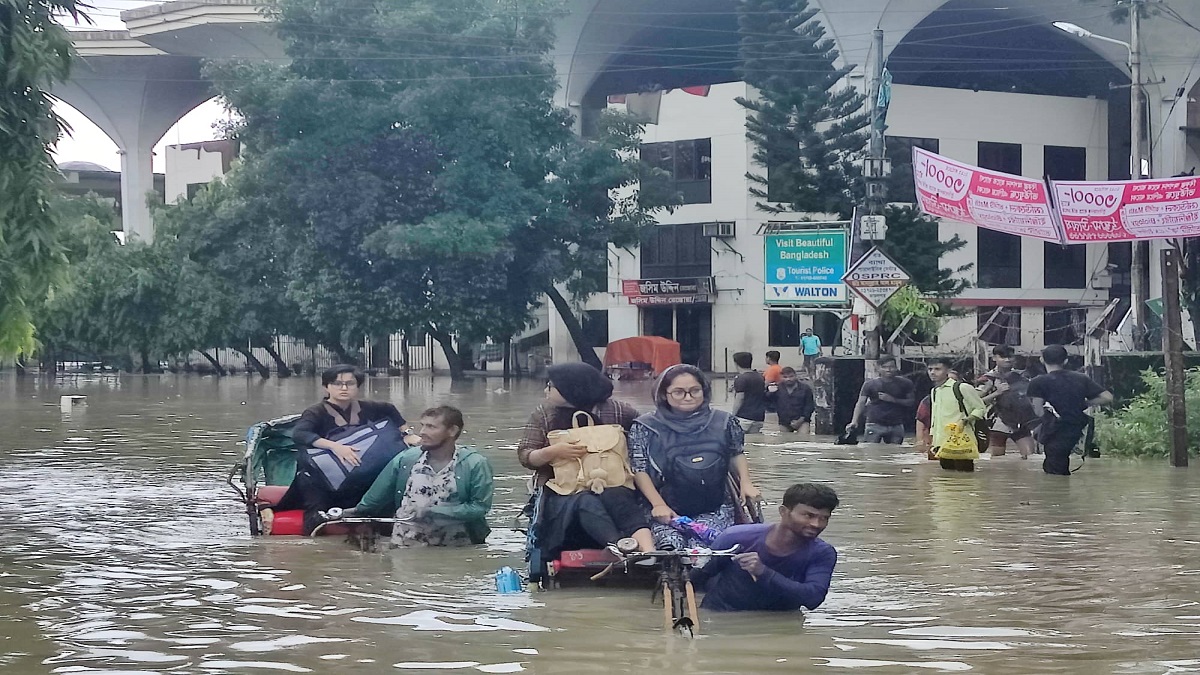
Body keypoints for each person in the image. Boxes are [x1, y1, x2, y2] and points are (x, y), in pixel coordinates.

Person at [517, 363, 655, 565]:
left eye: (550, 386)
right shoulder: (544, 414)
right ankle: (622, 548)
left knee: (619, 497)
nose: (546, 390)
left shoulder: (618, 411)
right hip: (562, 493)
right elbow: (525, 456)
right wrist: (553, 452)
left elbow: (645, 439)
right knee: (585, 501)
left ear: (570, 388)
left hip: (613, 483)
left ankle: (649, 551)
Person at [629, 364, 761, 550]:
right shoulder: (645, 426)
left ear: (704, 391)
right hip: (665, 508)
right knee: (671, 547)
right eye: (679, 392)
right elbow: (639, 468)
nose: (688, 397)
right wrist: (658, 505)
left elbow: (736, 453)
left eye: (694, 391)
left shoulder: (724, 421)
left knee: (701, 546)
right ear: (663, 394)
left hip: (715, 507)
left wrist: (746, 483)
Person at [281, 365, 419, 533]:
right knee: (315, 514)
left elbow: (390, 410)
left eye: (350, 383)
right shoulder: (315, 412)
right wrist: (336, 447)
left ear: (357, 386)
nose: (344, 388)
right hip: (319, 478)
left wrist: (406, 433)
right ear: (326, 387)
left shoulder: (371, 407)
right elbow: (300, 434)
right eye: (337, 383)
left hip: (362, 474)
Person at [341, 406, 493, 546]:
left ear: (452, 431)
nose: (422, 432)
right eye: (422, 425)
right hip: (405, 543)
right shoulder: (406, 459)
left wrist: (432, 512)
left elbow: (479, 507)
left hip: (456, 545)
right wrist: (352, 513)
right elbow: (376, 497)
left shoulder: (474, 463)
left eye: (431, 427)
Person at [690, 483, 839, 612]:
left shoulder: (822, 553)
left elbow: (813, 598)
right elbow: (699, 579)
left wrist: (763, 572)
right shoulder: (736, 537)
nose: (816, 524)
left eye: (824, 518)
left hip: (780, 624)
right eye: (808, 515)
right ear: (784, 512)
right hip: (722, 616)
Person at [1027, 345, 1113, 476]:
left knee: (1055, 471)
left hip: (1053, 430)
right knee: (1057, 465)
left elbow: (1038, 411)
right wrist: (1085, 403)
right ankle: (1061, 493)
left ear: (1042, 360)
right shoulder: (1081, 378)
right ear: (1065, 361)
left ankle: (1059, 495)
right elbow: (1107, 397)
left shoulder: (1037, 382)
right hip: (1074, 430)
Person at [977, 345, 1038, 459]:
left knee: (1030, 457)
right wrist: (997, 392)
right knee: (997, 461)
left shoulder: (1021, 376)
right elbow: (976, 402)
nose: (1007, 360)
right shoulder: (988, 379)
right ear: (994, 358)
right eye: (1003, 357)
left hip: (1020, 422)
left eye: (1010, 357)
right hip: (998, 423)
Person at [927, 357, 986, 471]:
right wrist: (932, 439)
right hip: (942, 442)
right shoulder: (935, 391)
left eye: (937, 369)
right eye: (930, 369)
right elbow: (935, 417)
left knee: (965, 475)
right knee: (947, 476)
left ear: (948, 370)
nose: (933, 372)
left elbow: (980, 408)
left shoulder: (962, 387)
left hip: (962, 440)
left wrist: (966, 420)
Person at [845, 356, 915, 444]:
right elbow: (861, 402)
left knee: (895, 453)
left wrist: (892, 399)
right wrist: (854, 421)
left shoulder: (906, 383)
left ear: (896, 368)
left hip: (896, 424)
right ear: (878, 368)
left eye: (891, 367)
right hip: (874, 423)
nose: (888, 370)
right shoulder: (870, 384)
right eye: (884, 367)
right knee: (871, 452)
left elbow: (911, 402)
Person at [771, 367, 815, 434]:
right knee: (784, 441)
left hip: (802, 421)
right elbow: (769, 403)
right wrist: (770, 392)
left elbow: (809, 406)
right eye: (785, 377)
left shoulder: (805, 389)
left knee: (803, 440)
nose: (788, 379)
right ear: (781, 377)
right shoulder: (778, 388)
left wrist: (801, 420)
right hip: (784, 422)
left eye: (791, 376)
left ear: (795, 376)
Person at [730, 351, 767, 434]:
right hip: (759, 417)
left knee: (739, 441)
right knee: (754, 441)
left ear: (736, 363)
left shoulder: (741, 378)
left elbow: (740, 398)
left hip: (744, 416)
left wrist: (733, 416)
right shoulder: (760, 376)